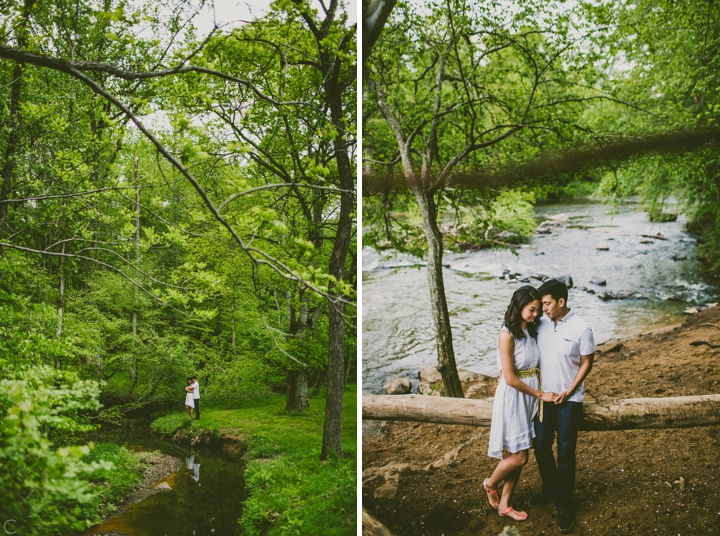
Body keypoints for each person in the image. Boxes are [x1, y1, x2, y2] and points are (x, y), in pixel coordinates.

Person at [483, 286, 558, 522]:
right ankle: (490, 483)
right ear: (518, 306)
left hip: (528, 398)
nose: (536, 314)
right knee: (520, 457)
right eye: (531, 309)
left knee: (520, 449)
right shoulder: (506, 335)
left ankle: (504, 505)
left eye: (538, 309)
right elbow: (510, 377)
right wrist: (539, 394)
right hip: (515, 398)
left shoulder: (529, 330)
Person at [529, 279, 596, 534]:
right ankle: (550, 488)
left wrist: (570, 390)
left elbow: (587, 362)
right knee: (542, 446)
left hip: (570, 401)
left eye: (546, 304)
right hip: (544, 399)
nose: (542, 308)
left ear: (561, 301)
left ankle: (564, 503)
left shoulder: (581, 328)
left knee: (566, 452)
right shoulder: (541, 324)